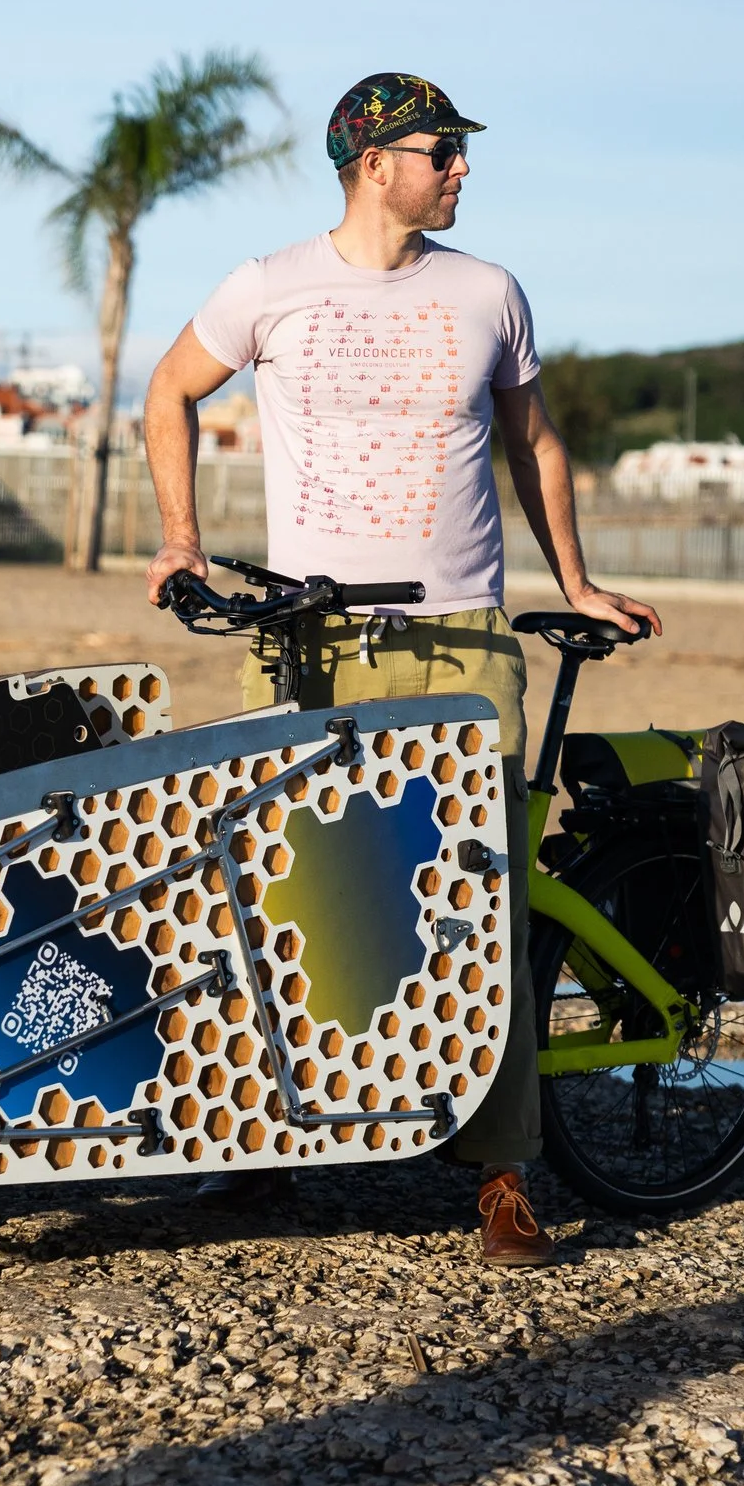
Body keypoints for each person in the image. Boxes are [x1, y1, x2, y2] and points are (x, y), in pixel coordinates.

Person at [138, 71, 663, 1269]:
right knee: (275, 889)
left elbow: (533, 440)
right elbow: (166, 389)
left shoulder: (488, 292)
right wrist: (178, 536)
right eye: (445, 151)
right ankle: (266, 1141)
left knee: (477, 898)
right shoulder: (266, 287)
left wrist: (575, 580)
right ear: (376, 163)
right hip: (302, 642)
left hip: (458, 639)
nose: (463, 168)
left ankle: (501, 1172)